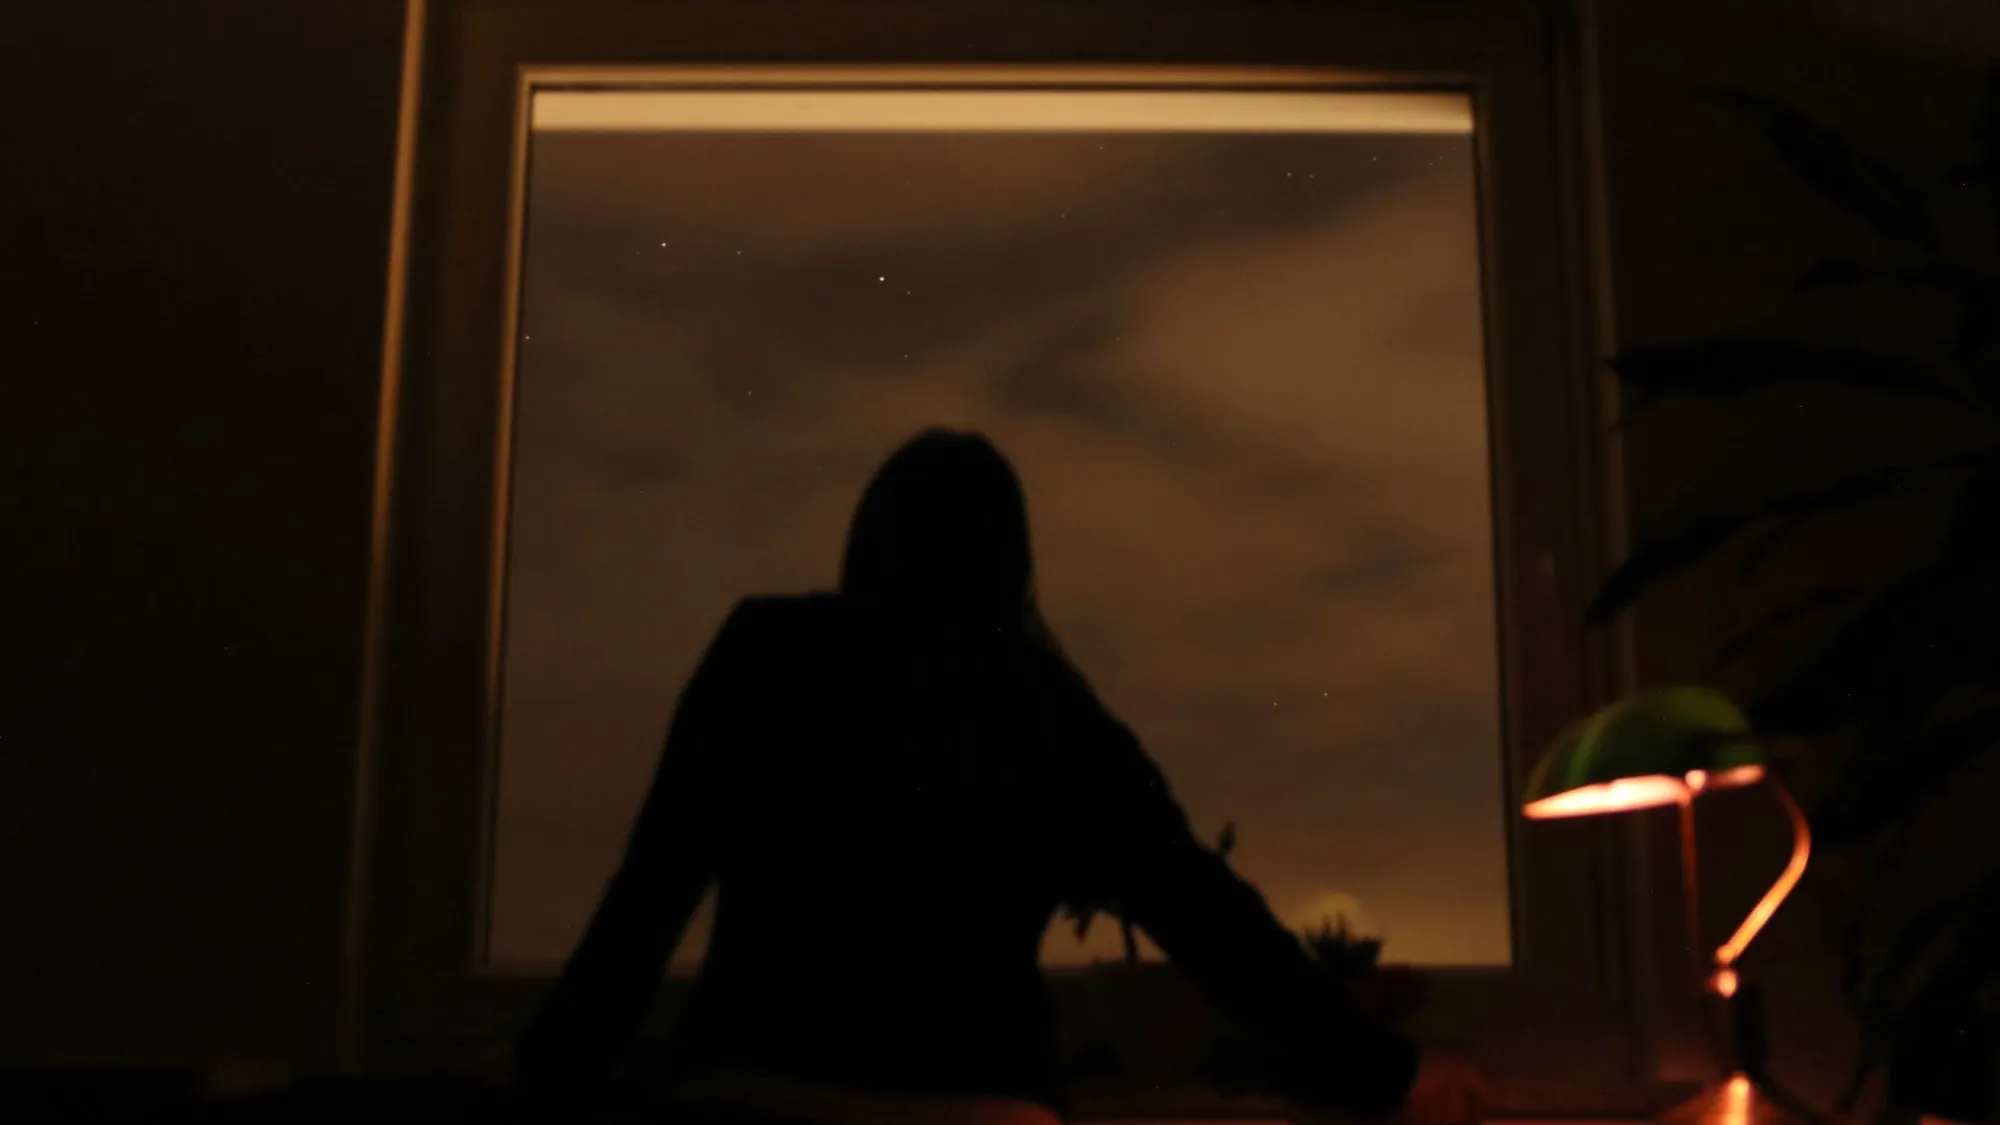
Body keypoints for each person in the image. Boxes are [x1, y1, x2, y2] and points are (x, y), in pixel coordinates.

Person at [513, 428, 1491, 1125]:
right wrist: (1389, 1073)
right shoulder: (1048, 713)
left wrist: (544, 1077)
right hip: (979, 1102)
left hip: (757, 1091)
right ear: (1013, 573)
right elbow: (1208, 920)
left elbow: (646, 898)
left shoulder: (764, 657)